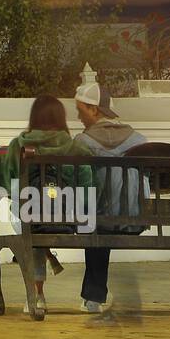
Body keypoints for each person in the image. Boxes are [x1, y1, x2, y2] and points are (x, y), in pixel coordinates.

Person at [0, 94, 93, 313]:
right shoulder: (74, 147)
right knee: (40, 220)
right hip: (70, 218)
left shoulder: (17, 145)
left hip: (28, 218)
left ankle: (38, 295)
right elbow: (88, 182)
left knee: (29, 224)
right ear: (61, 118)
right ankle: (47, 253)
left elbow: (7, 183)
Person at [72, 82, 150, 313]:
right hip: (133, 219)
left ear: (94, 110)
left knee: (94, 222)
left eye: (81, 110)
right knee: (98, 221)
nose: (78, 116)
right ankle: (92, 297)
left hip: (100, 221)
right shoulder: (139, 140)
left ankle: (94, 297)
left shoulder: (82, 142)